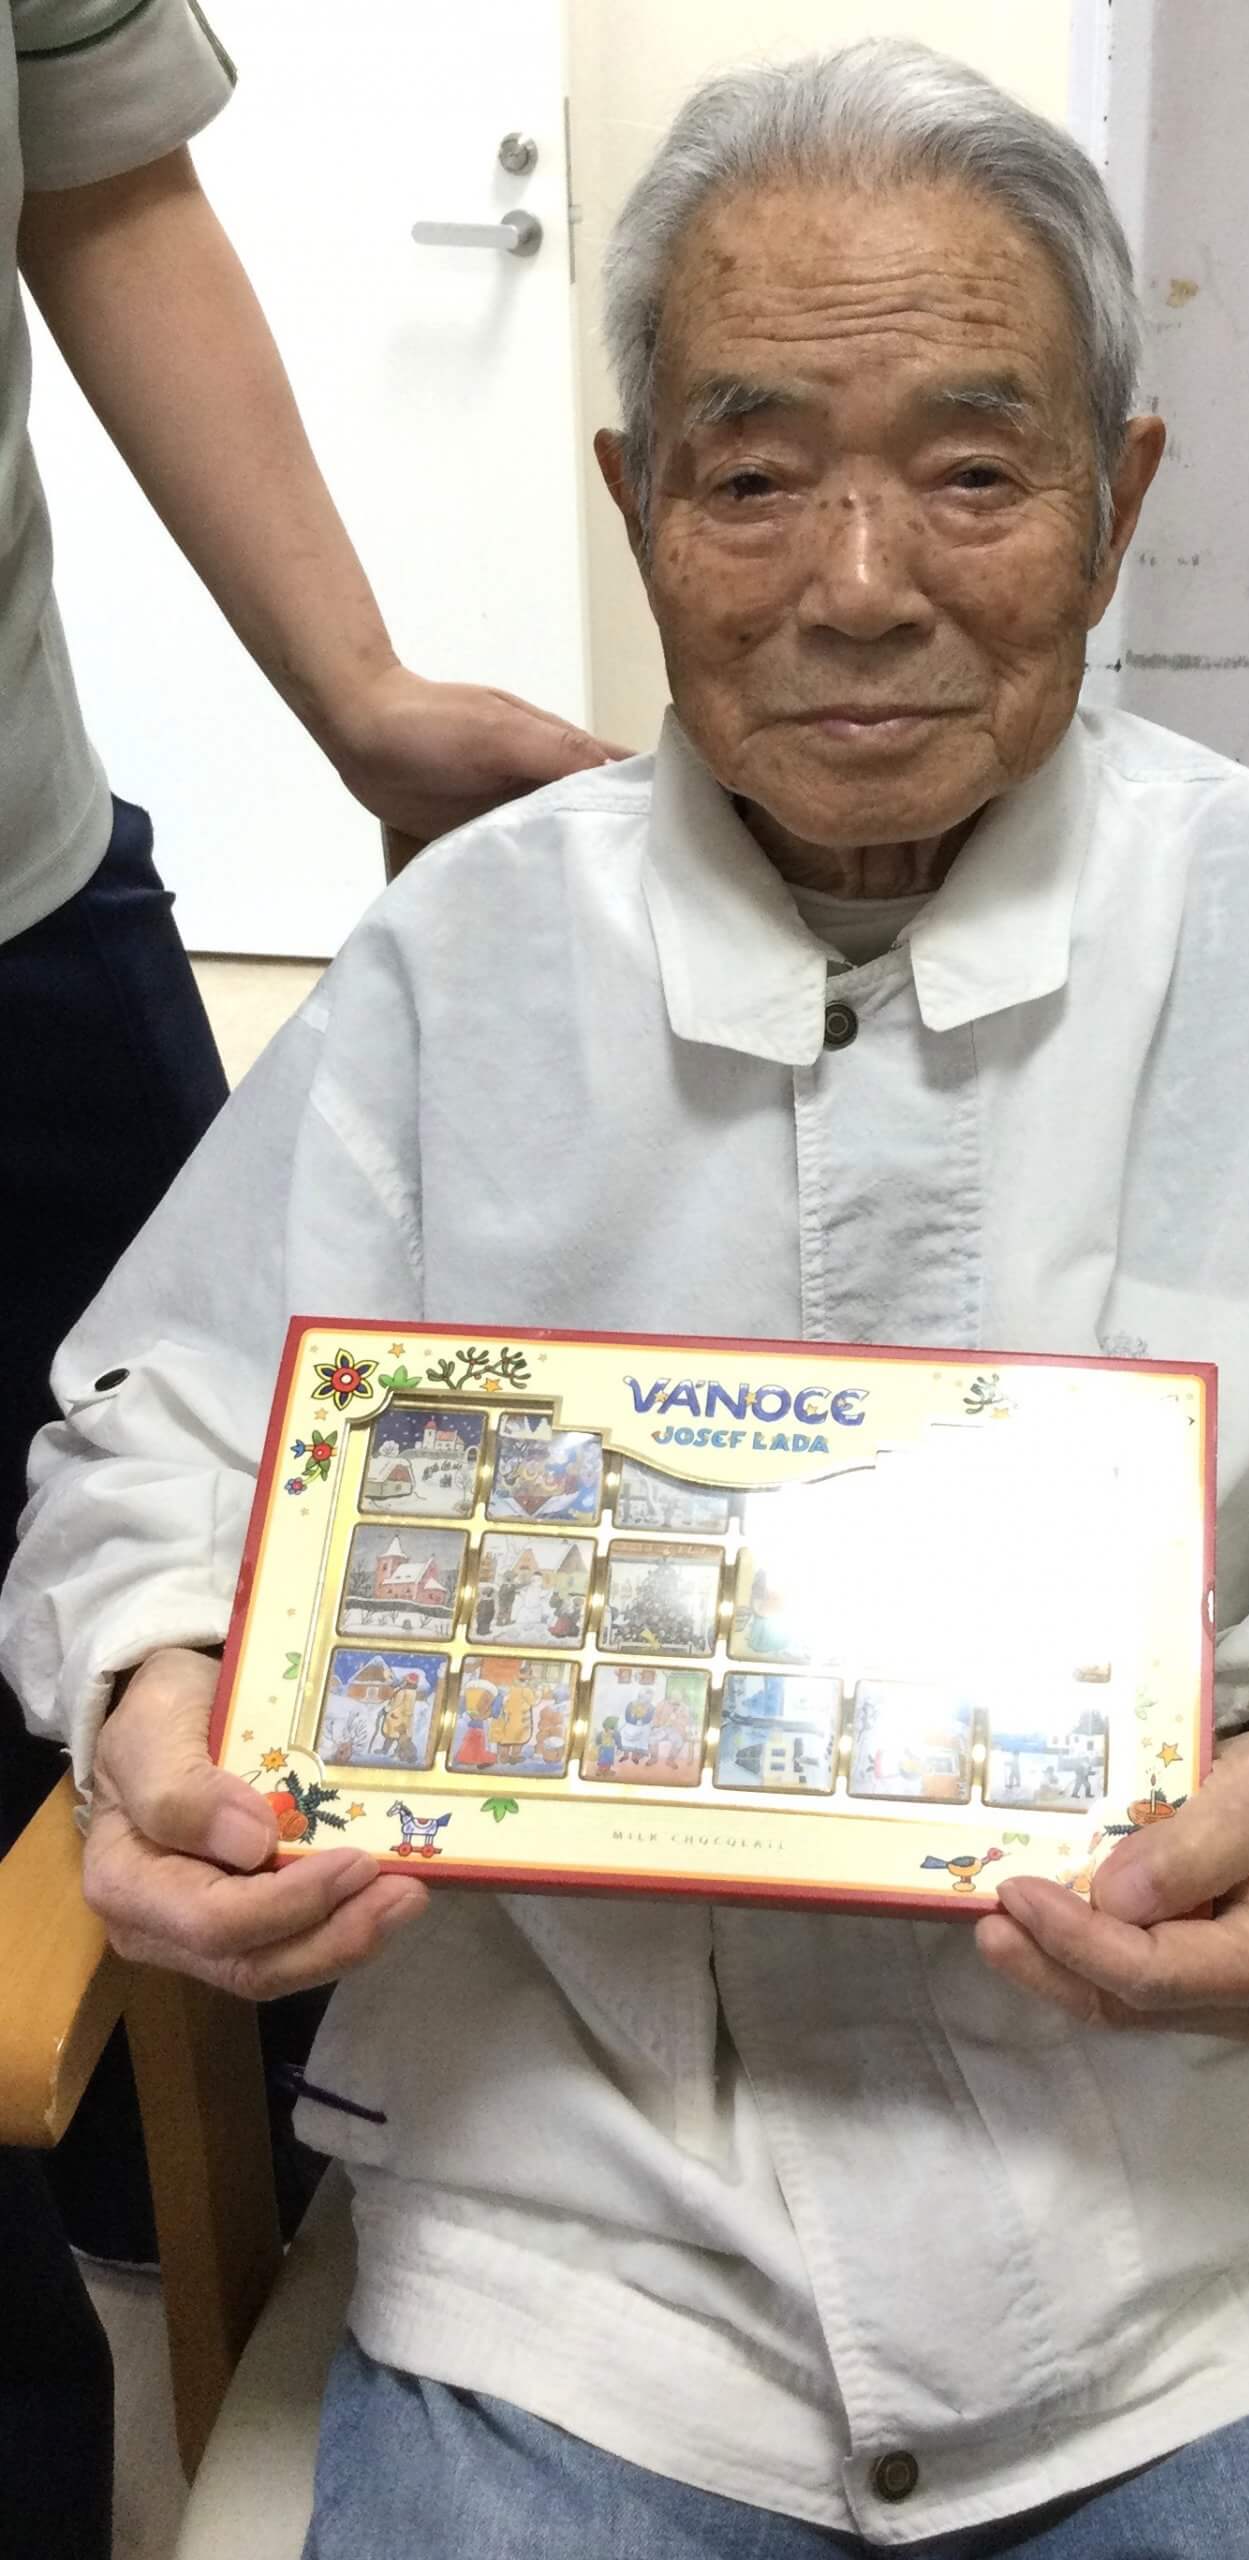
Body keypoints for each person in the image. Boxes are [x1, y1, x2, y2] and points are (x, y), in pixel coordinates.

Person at [0, 39, 1249, 2560]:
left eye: (975, 472)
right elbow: (166, 1435)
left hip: (1227, 2222)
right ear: (634, 504)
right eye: (753, 473)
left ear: (1117, 503)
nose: (861, 583)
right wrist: (157, 1688)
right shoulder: (469, 958)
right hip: (595, 2233)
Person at [1, 9, 618, 2556]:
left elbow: (98, 171)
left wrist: (358, 694)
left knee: (187, 1598)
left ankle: (198, 2165)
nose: (856, 582)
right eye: (752, 471)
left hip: (16, 892)